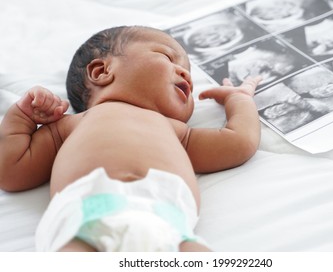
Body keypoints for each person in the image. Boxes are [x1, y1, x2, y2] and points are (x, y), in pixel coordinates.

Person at [0, 26, 261, 252]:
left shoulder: (177, 133)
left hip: (167, 224)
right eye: (168, 57)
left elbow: (238, 142)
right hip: (84, 219)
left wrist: (239, 99)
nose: (187, 76)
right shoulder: (68, 126)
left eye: (187, 72)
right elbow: (10, 171)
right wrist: (22, 116)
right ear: (102, 71)